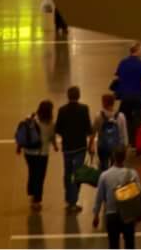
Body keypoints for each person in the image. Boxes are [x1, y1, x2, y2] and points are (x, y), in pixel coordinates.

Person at [92, 147, 141, 247]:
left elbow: (99, 197)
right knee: (130, 244)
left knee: (113, 244)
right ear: (124, 158)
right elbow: (139, 193)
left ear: (113, 157)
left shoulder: (104, 175)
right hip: (128, 215)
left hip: (111, 215)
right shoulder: (132, 173)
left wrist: (96, 215)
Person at [55, 84, 94, 212]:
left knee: (67, 173)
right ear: (79, 96)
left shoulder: (62, 110)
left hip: (67, 147)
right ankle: (74, 200)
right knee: (77, 174)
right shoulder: (84, 109)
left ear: (68, 96)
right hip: (80, 147)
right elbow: (88, 129)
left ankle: (68, 199)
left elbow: (58, 129)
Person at [17, 99, 55, 210]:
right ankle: (36, 200)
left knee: (32, 172)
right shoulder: (49, 123)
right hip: (42, 153)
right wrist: (55, 146)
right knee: (40, 176)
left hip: (28, 152)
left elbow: (23, 133)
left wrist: (19, 147)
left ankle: (32, 192)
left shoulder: (30, 119)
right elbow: (51, 136)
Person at [112, 40, 141, 135]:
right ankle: (136, 141)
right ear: (137, 51)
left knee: (125, 118)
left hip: (125, 96)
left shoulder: (123, 63)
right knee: (138, 118)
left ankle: (127, 139)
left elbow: (117, 79)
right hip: (138, 96)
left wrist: (115, 93)